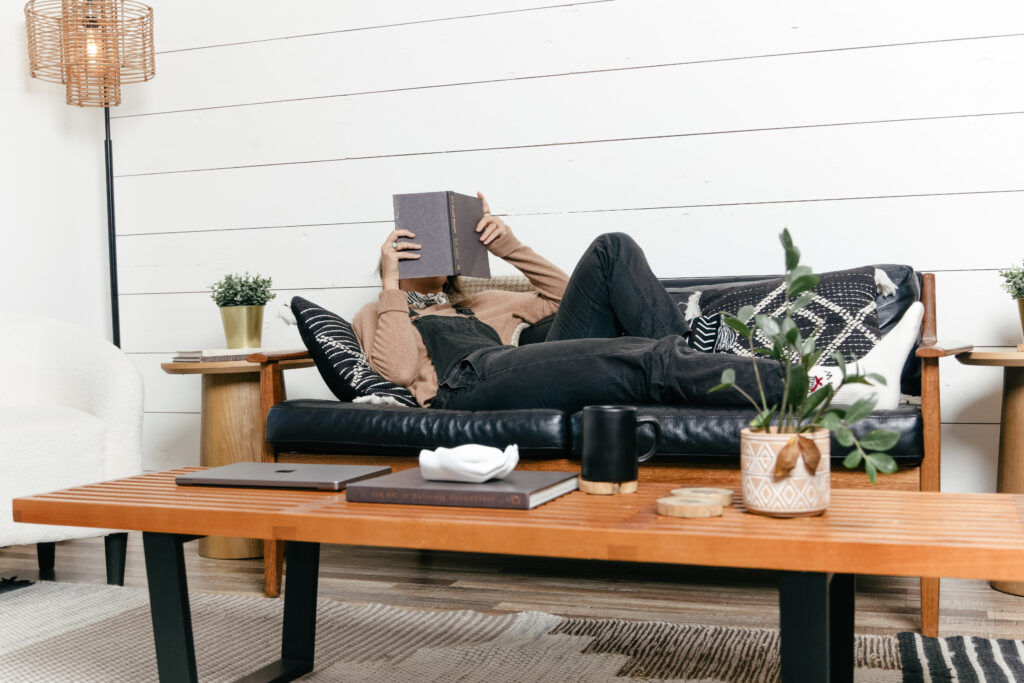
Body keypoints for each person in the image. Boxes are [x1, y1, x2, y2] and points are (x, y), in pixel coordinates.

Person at [353, 192, 786, 413]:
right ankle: (788, 379)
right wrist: (392, 282)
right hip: (470, 384)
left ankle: (691, 357)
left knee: (612, 248)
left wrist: (508, 247)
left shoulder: (486, 301)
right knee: (634, 353)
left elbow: (568, 297)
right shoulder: (380, 312)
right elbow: (400, 370)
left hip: (531, 364)